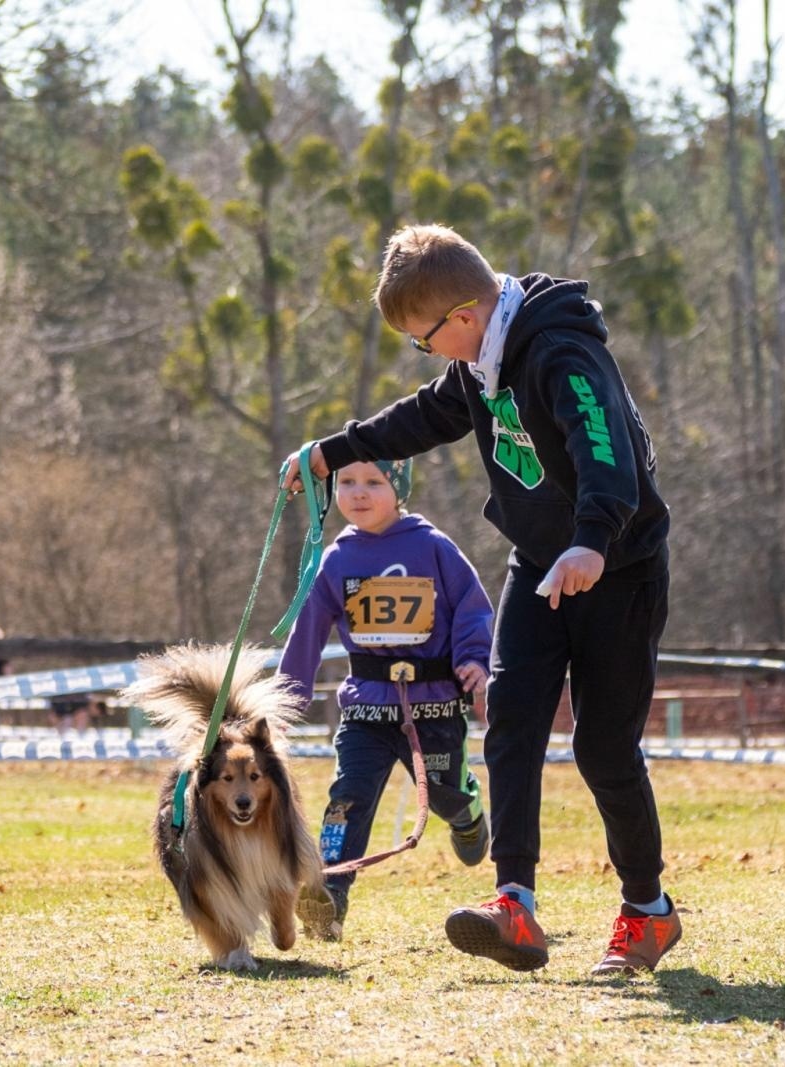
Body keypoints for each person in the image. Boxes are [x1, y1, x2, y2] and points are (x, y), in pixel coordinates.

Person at [285, 224, 678, 975]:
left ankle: (646, 910)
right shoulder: (482, 361)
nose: (428, 353)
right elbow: (429, 415)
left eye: (424, 339)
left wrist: (592, 540)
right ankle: (514, 903)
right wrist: (332, 451)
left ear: (463, 315)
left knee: (602, 748)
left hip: (617, 565)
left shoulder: (561, 352)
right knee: (512, 720)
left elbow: (605, 451)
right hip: (540, 563)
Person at [280, 457, 493, 942]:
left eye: (374, 482)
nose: (358, 492)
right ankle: (329, 895)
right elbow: (307, 629)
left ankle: (468, 814)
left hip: (434, 702)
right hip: (365, 708)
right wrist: (288, 697)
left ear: (398, 489)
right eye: (348, 482)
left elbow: (472, 606)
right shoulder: (335, 558)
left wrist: (475, 659)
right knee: (346, 799)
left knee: (444, 794)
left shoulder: (433, 547)